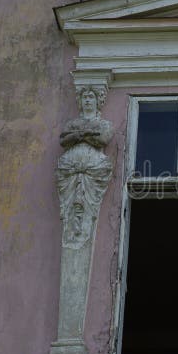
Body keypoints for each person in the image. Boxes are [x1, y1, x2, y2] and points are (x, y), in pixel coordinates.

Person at [56, 86, 114, 248]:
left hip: (94, 170)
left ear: (98, 101)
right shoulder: (72, 123)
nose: (87, 100)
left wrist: (77, 136)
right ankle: (74, 234)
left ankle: (81, 234)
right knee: (71, 207)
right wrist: (86, 134)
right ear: (80, 102)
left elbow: (103, 139)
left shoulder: (104, 124)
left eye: (91, 97)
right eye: (84, 97)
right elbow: (63, 140)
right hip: (70, 170)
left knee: (88, 206)